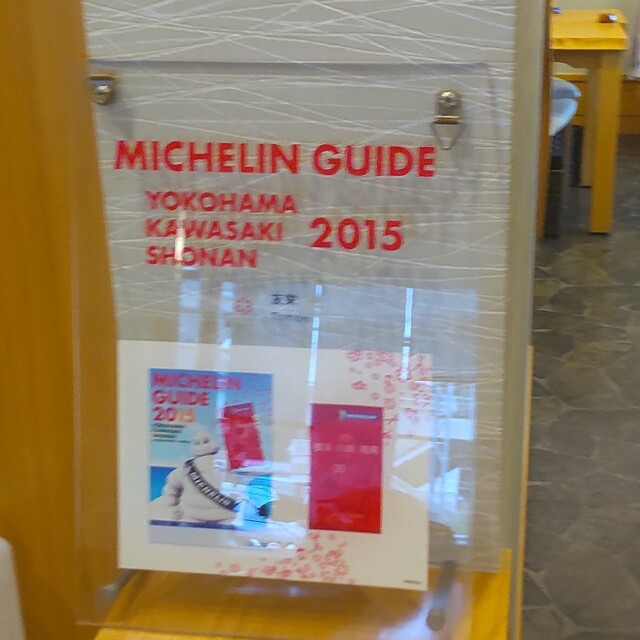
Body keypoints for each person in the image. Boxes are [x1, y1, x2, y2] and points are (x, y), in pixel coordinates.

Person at [163, 430, 241, 524]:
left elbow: (171, 489)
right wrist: (173, 508)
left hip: (225, 516)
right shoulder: (185, 467)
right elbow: (172, 488)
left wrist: (172, 508)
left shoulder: (229, 462)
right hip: (194, 516)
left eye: (205, 441)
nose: (202, 445)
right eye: (197, 442)